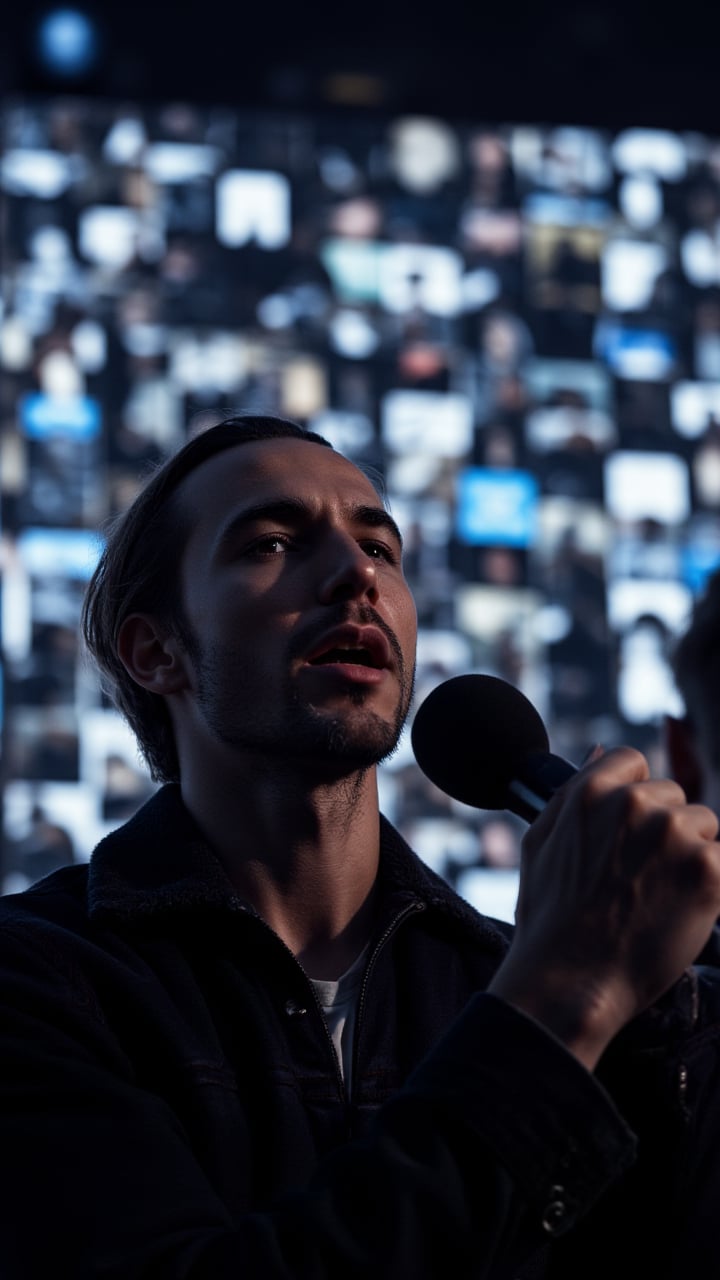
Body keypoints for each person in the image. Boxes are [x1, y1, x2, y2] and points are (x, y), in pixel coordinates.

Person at [2, 414, 720, 1279]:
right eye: (271, 544)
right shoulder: (42, 980)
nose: (355, 576)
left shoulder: (498, 980)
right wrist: (562, 996)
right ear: (156, 651)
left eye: (381, 549)